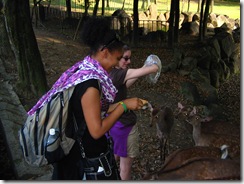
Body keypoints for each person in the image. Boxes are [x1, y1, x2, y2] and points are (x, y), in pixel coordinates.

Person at [28, 17, 144, 180]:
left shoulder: (82, 69)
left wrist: (123, 105)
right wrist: (124, 106)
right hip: (85, 162)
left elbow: (91, 110)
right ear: (105, 52)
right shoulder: (90, 85)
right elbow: (97, 130)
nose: (117, 65)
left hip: (73, 156)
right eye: (117, 59)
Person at [109, 45, 161, 180]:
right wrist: (155, 65)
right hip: (125, 126)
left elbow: (124, 84)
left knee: (111, 162)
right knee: (125, 169)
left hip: (112, 125)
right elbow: (152, 69)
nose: (129, 61)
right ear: (115, 57)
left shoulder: (109, 73)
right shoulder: (118, 74)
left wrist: (143, 68)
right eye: (125, 58)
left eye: (129, 58)